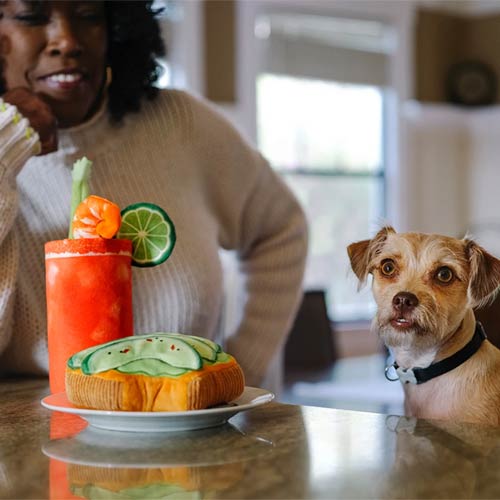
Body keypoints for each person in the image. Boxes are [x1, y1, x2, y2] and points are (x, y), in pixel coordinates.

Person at [0, 0, 308, 388]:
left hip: (189, 438)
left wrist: (240, 371)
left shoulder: (180, 125)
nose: (66, 40)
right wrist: (5, 142)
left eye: (89, 14)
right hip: (33, 443)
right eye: (32, 16)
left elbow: (282, 228)